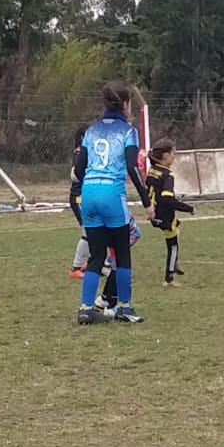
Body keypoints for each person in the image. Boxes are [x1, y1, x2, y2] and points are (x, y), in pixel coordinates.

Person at [73, 82, 153, 325]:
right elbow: (132, 167)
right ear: (126, 104)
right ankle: (124, 307)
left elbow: (78, 169)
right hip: (111, 195)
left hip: (88, 194)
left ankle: (86, 308)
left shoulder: (92, 131)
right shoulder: (128, 131)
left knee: (96, 254)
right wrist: (147, 201)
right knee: (122, 253)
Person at [146, 138, 195, 286]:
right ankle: (169, 278)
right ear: (166, 156)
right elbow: (167, 199)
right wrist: (189, 208)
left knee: (176, 231)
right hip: (165, 215)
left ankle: (175, 262)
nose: (175, 156)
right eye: (174, 153)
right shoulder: (167, 175)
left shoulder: (152, 171)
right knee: (172, 246)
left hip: (154, 213)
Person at [68, 124, 89, 279]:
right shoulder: (80, 153)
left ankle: (88, 263)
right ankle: (76, 268)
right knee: (87, 232)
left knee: (95, 231)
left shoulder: (84, 152)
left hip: (85, 196)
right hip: (79, 198)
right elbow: (76, 175)